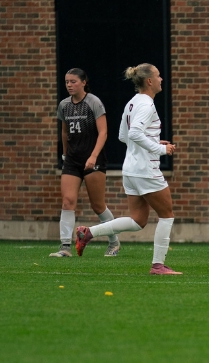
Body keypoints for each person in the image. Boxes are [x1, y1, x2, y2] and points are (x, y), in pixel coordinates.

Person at [75, 63, 181, 275]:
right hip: (145, 169)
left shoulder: (132, 102)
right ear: (149, 81)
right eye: (158, 76)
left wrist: (154, 141)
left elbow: (124, 136)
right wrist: (160, 150)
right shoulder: (147, 105)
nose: (162, 80)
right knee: (167, 215)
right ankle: (158, 265)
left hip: (131, 169)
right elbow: (133, 134)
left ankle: (88, 233)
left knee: (138, 220)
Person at [49, 68, 120, 258]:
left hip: (93, 159)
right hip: (72, 160)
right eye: (66, 82)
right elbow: (64, 132)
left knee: (98, 205)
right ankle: (65, 247)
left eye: (73, 81)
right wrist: (65, 155)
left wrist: (93, 156)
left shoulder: (93, 102)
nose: (69, 85)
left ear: (83, 83)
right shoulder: (64, 105)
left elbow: (103, 132)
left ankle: (114, 242)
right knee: (67, 201)